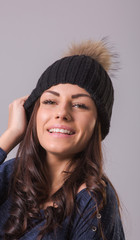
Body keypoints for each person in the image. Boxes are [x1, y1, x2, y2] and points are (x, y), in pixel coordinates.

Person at [0, 40, 125, 240]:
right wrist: (10, 136)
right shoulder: (10, 174)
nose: (62, 113)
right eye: (50, 101)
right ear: (34, 112)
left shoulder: (92, 202)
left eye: (79, 105)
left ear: (97, 124)